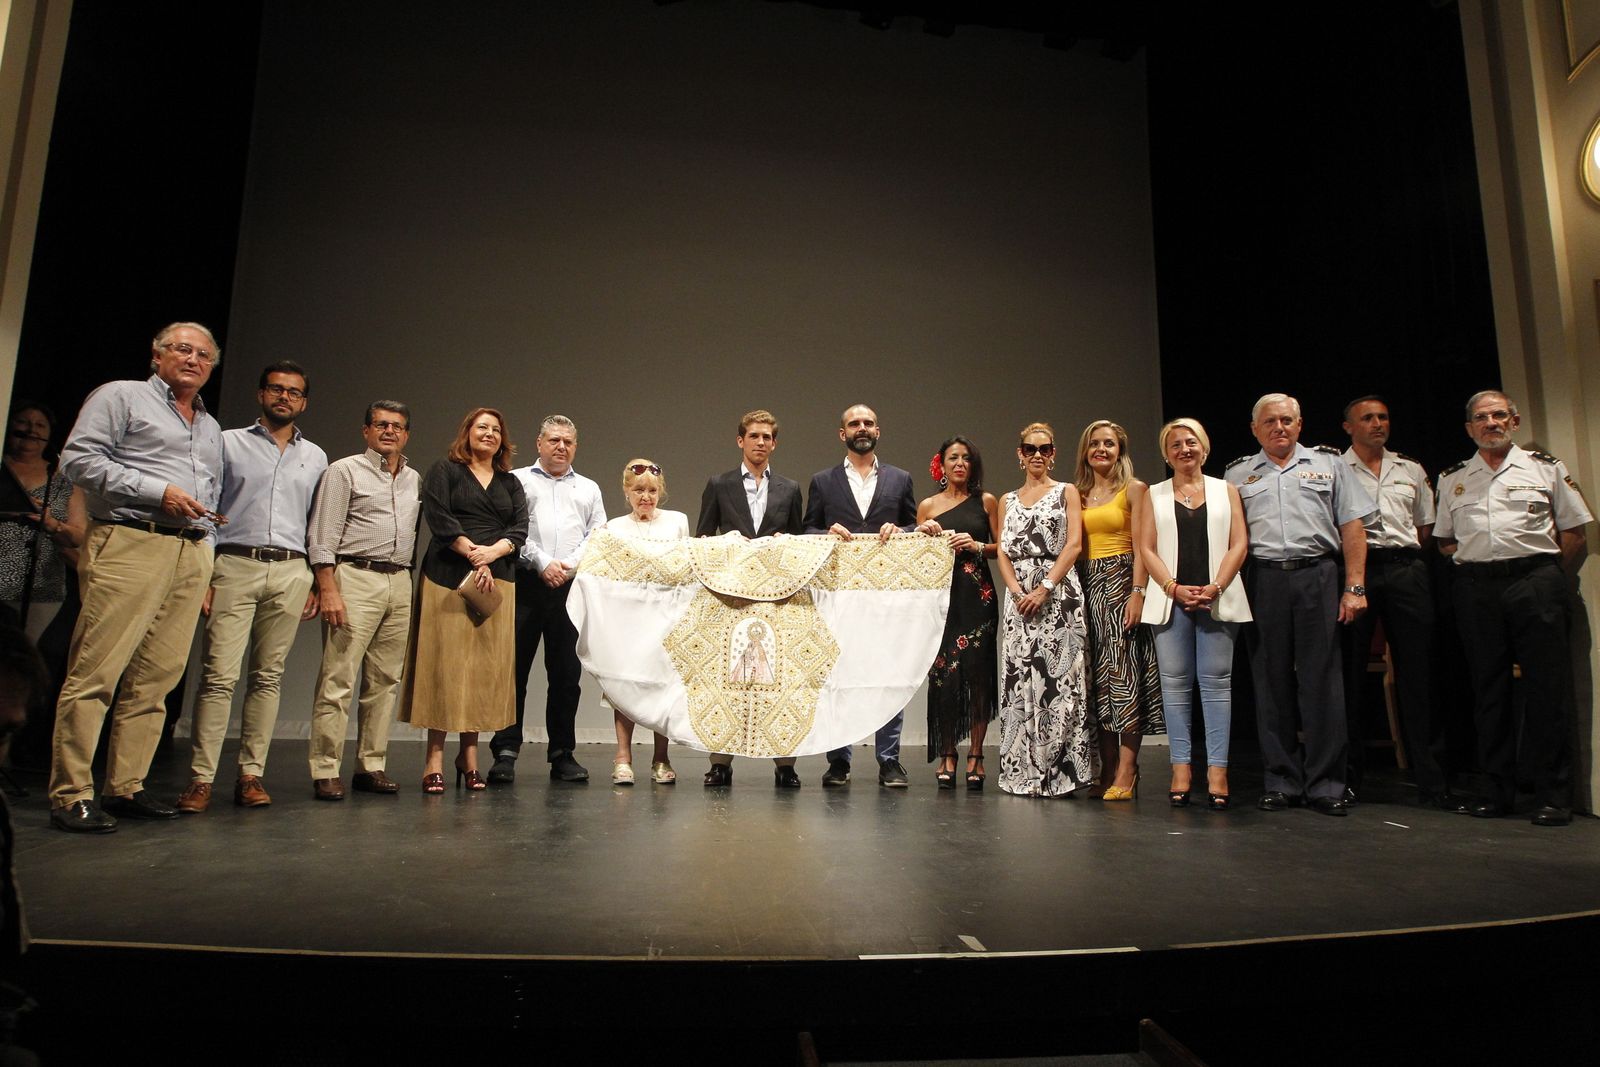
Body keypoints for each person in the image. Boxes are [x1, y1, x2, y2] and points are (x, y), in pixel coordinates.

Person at [47, 322, 225, 832]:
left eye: (204, 355)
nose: (193, 360)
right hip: (129, 540)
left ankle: (125, 787)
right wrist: (156, 490)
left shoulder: (209, 425)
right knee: (96, 672)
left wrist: (206, 552)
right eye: (182, 349)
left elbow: (208, 493)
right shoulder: (121, 397)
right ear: (157, 354)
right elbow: (78, 461)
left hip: (189, 551)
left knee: (158, 679)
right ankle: (71, 793)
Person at [1434, 390, 1591, 826]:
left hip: (1535, 583)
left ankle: (1552, 795)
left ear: (1514, 421)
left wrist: (1546, 578)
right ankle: (1497, 791)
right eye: (1481, 418)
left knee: (1547, 691)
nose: (1491, 423)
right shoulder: (1453, 478)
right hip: (1478, 589)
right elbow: (1446, 540)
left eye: (1499, 415)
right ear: (1469, 428)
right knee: (1489, 692)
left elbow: (1574, 532)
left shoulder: (1545, 469)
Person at [177, 362, 327, 813]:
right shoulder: (227, 443)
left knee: (267, 676)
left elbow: (316, 525)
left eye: (294, 393)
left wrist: (319, 581)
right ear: (261, 394)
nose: (285, 398)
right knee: (219, 676)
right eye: (277, 390)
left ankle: (250, 775)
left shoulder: (315, 456)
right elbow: (205, 509)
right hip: (234, 565)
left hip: (289, 570)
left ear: (304, 402)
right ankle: (201, 779)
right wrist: (203, 574)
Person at [1226, 393, 1373, 816]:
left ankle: (1327, 783)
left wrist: (1355, 586)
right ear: (1255, 429)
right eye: (1270, 422)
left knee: (1322, 682)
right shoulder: (1238, 474)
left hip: (1318, 576)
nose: (1279, 428)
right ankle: (1281, 780)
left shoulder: (1330, 465)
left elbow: (1352, 526)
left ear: (1300, 424)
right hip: (1264, 579)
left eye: (1287, 420)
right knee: (1270, 682)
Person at [804, 403, 942, 788]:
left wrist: (907, 532)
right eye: (853, 423)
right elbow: (807, 531)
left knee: (889, 673)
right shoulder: (822, 481)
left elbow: (913, 526)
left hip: (886, 598)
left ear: (877, 431)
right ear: (842, 433)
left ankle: (889, 760)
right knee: (838, 675)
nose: (860, 428)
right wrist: (825, 533)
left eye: (867, 423)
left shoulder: (900, 479)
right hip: (839, 597)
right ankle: (839, 762)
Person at [1338, 396, 1465, 811]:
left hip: (1406, 569)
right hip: (1357, 569)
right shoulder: (1335, 469)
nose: (1377, 424)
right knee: (1350, 675)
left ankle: (1432, 779)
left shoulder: (1409, 469)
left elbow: (1425, 527)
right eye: (1368, 418)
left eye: (1383, 417)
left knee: (1419, 674)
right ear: (1348, 427)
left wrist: (1401, 559)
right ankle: (1349, 778)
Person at [399, 408, 526, 793]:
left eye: (495, 429)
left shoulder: (510, 482)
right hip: (448, 576)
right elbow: (438, 518)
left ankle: (469, 757)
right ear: (467, 432)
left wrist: (493, 554)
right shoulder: (445, 470)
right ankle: (434, 758)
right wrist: (474, 553)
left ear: (502, 439)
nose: (488, 434)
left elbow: (520, 527)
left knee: (481, 672)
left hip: (496, 581)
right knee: (445, 668)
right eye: (481, 427)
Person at [305, 400, 421, 801]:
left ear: (406, 435)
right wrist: (327, 586)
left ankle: (371, 765)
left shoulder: (413, 479)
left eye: (397, 426)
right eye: (381, 425)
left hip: (398, 579)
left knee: (385, 681)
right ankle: (324, 768)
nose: (389, 431)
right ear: (366, 431)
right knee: (339, 678)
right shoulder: (343, 471)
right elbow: (322, 533)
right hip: (353, 576)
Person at [1135, 418, 1250, 810]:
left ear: (1204, 447)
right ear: (1166, 455)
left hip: (1218, 596)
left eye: (1190, 442)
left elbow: (1239, 544)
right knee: (1175, 686)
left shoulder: (1226, 490)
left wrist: (1216, 585)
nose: (1184, 450)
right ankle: (1181, 767)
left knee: (1217, 685)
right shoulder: (1154, 494)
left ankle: (1217, 769)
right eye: (1175, 445)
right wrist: (1172, 587)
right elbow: (1146, 548)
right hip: (1172, 598)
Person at [489, 415, 605, 785]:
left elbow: (597, 534)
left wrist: (568, 566)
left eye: (568, 442)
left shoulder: (588, 488)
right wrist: (541, 562)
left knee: (566, 676)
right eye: (554, 440)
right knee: (513, 672)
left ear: (576, 446)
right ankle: (505, 751)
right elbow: (511, 529)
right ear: (539, 443)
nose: (561, 447)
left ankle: (562, 754)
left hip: (569, 590)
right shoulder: (518, 481)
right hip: (524, 583)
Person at [695, 410, 805, 787]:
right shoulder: (719, 484)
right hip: (731, 596)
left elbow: (799, 544)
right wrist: (726, 543)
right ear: (740, 440)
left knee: (782, 679)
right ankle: (721, 763)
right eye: (753, 436)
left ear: (774, 443)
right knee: (726, 680)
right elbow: (703, 540)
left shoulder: (789, 488)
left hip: (778, 597)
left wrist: (784, 543)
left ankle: (785, 765)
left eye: (767, 437)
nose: (760, 442)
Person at [995, 421, 1095, 797]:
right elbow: (1003, 550)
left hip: (1058, 593)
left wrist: (1045, 587)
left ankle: (1062, 773)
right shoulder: (1006, 500)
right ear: (1019, 455)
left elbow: (1073, 545)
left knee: (1061, 683)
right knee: (1020, 681)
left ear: (1053, 453)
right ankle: (1024, 771)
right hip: (1019, 598)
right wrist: (1018, 591)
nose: (1038, 455)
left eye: (1045, 448)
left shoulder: (1066, 492)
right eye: (1030, 448)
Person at [1073, 420, 1163, 801]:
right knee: (1097, 682)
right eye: (1094, 444)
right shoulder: (1078, 493)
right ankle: (1106, 768)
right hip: (1085, 586)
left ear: (1120, 450)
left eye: (1109, 444)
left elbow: (1145, 545)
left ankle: (1127, 770)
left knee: (1123, 678)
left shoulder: (1135, 489)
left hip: (1121, 582)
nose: (1101, 450)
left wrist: (1138, 592)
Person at [916, 435, 999, 789]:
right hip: (941, 602)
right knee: (945, 678)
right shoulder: (928, 505)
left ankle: (976, 755)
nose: (960, 463)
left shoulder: (987, 501)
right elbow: (914, 558)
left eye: (966, 458)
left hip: (978, 599)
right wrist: (923, 533)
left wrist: (977, 544)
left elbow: (1003, 548)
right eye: (953, 457)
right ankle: (948, 753)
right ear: (942, 464)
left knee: (978, 678)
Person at [602, 459, 687, 784]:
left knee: (661, 688)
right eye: (639, 490)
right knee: (625, 686)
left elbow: (683, 567)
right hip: (627, 619)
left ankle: (661, 759)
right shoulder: (614, 527)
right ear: (627, 491)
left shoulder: (676, 522)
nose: (646, 497)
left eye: (652, 490)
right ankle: (623, 758)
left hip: (665, 619)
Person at [2, 402, 86, 643]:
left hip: (37, 587)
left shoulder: (62, 479)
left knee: (18, 654)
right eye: (23, 423)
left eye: (40, 425)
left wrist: (53, 525)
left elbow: (78, 535)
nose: (31, 430)